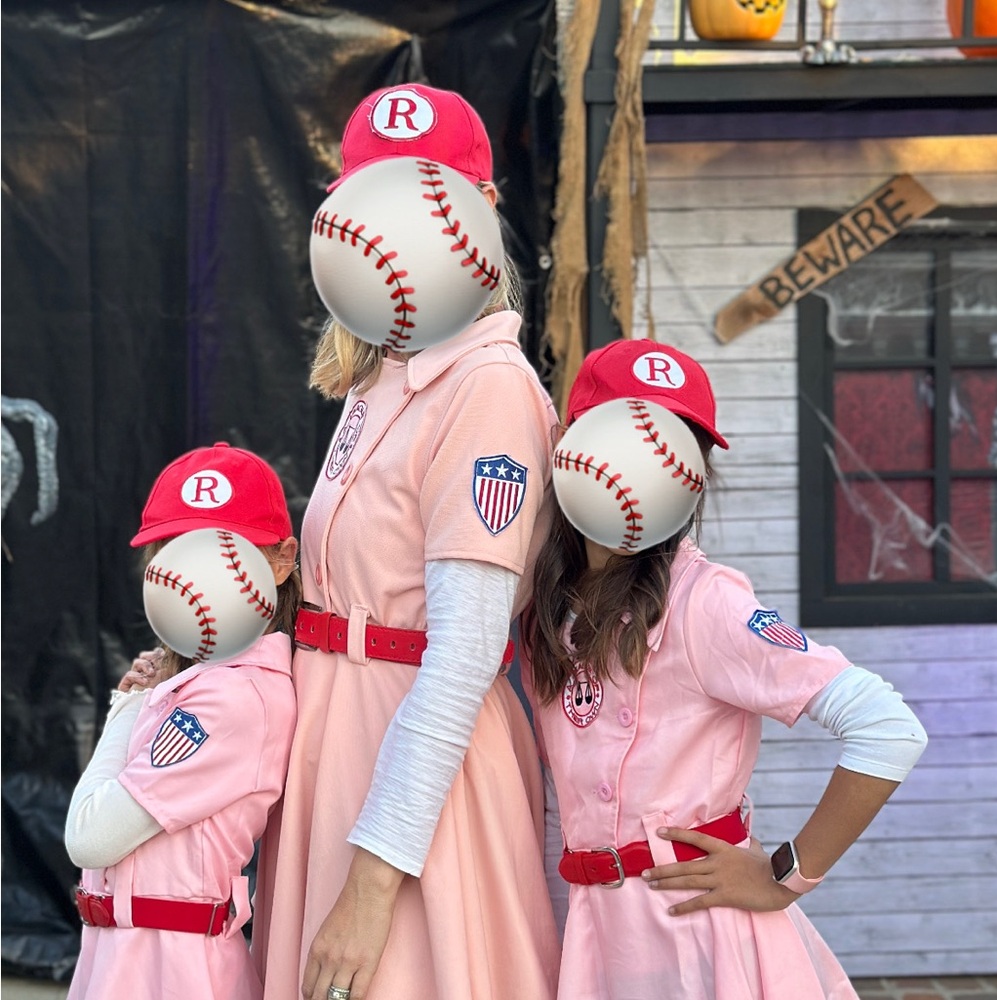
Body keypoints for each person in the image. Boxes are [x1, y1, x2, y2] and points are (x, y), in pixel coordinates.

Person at [250, 83, 561, 1000]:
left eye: (422, 201)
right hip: (335, 743)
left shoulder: (488, 387)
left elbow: (466, 652)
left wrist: (373, 883)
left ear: (480, 214)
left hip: (417, 784)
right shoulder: (383, 373)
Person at [521, 338, 929, 1000]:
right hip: (594, 931)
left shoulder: (705, 602)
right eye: (633, 435)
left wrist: (783, 875)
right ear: (574, 445)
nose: (650, 468)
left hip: (698, 938)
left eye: (678, 448)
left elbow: (888, 725)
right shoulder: (540, 601)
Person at [64, 442, 301, 1000]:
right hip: (122, 956)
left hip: (173, 969)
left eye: (218, 553)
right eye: (175, 551)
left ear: (281, 561)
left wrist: (127, 709)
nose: (192, 575)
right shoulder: (201, 681)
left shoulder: (237, 697)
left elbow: (90, 836)